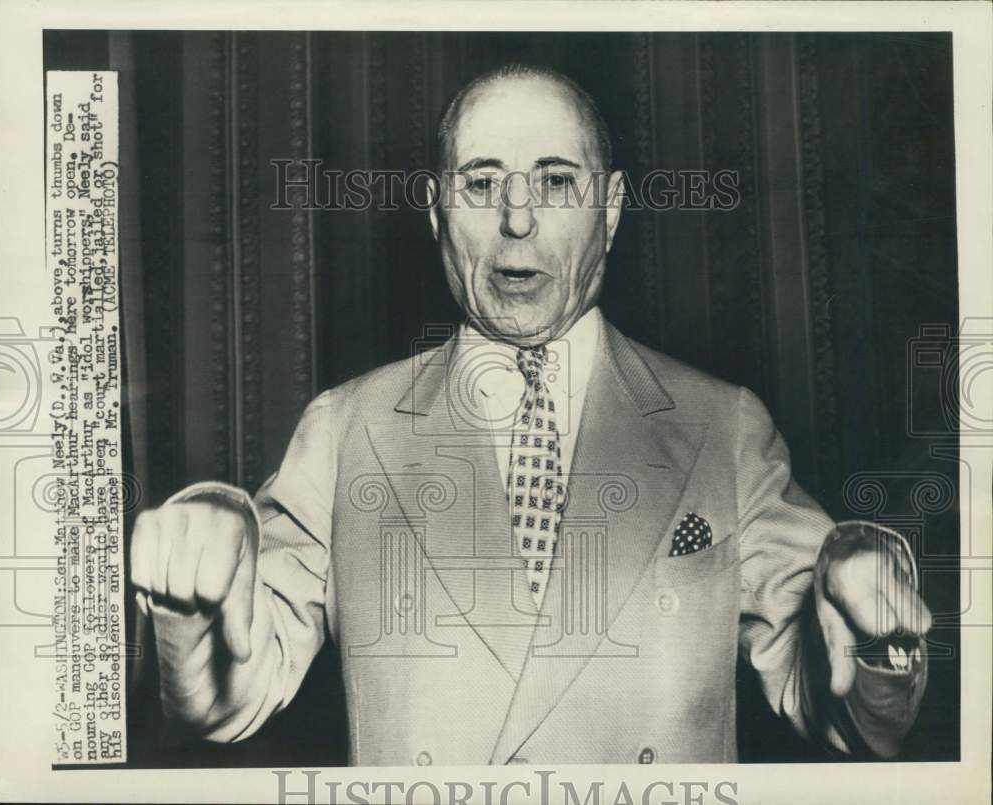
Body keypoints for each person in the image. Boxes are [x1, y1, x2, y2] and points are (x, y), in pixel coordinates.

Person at [130, 64, 929, 765]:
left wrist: (874, 631)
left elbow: (855, 726)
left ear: (610, 209)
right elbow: (224, 701)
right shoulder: (346, 428)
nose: (518, 218)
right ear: (438, 210)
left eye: (555, 181)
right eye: (481, 183)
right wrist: (200, 593)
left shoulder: (725, 428)